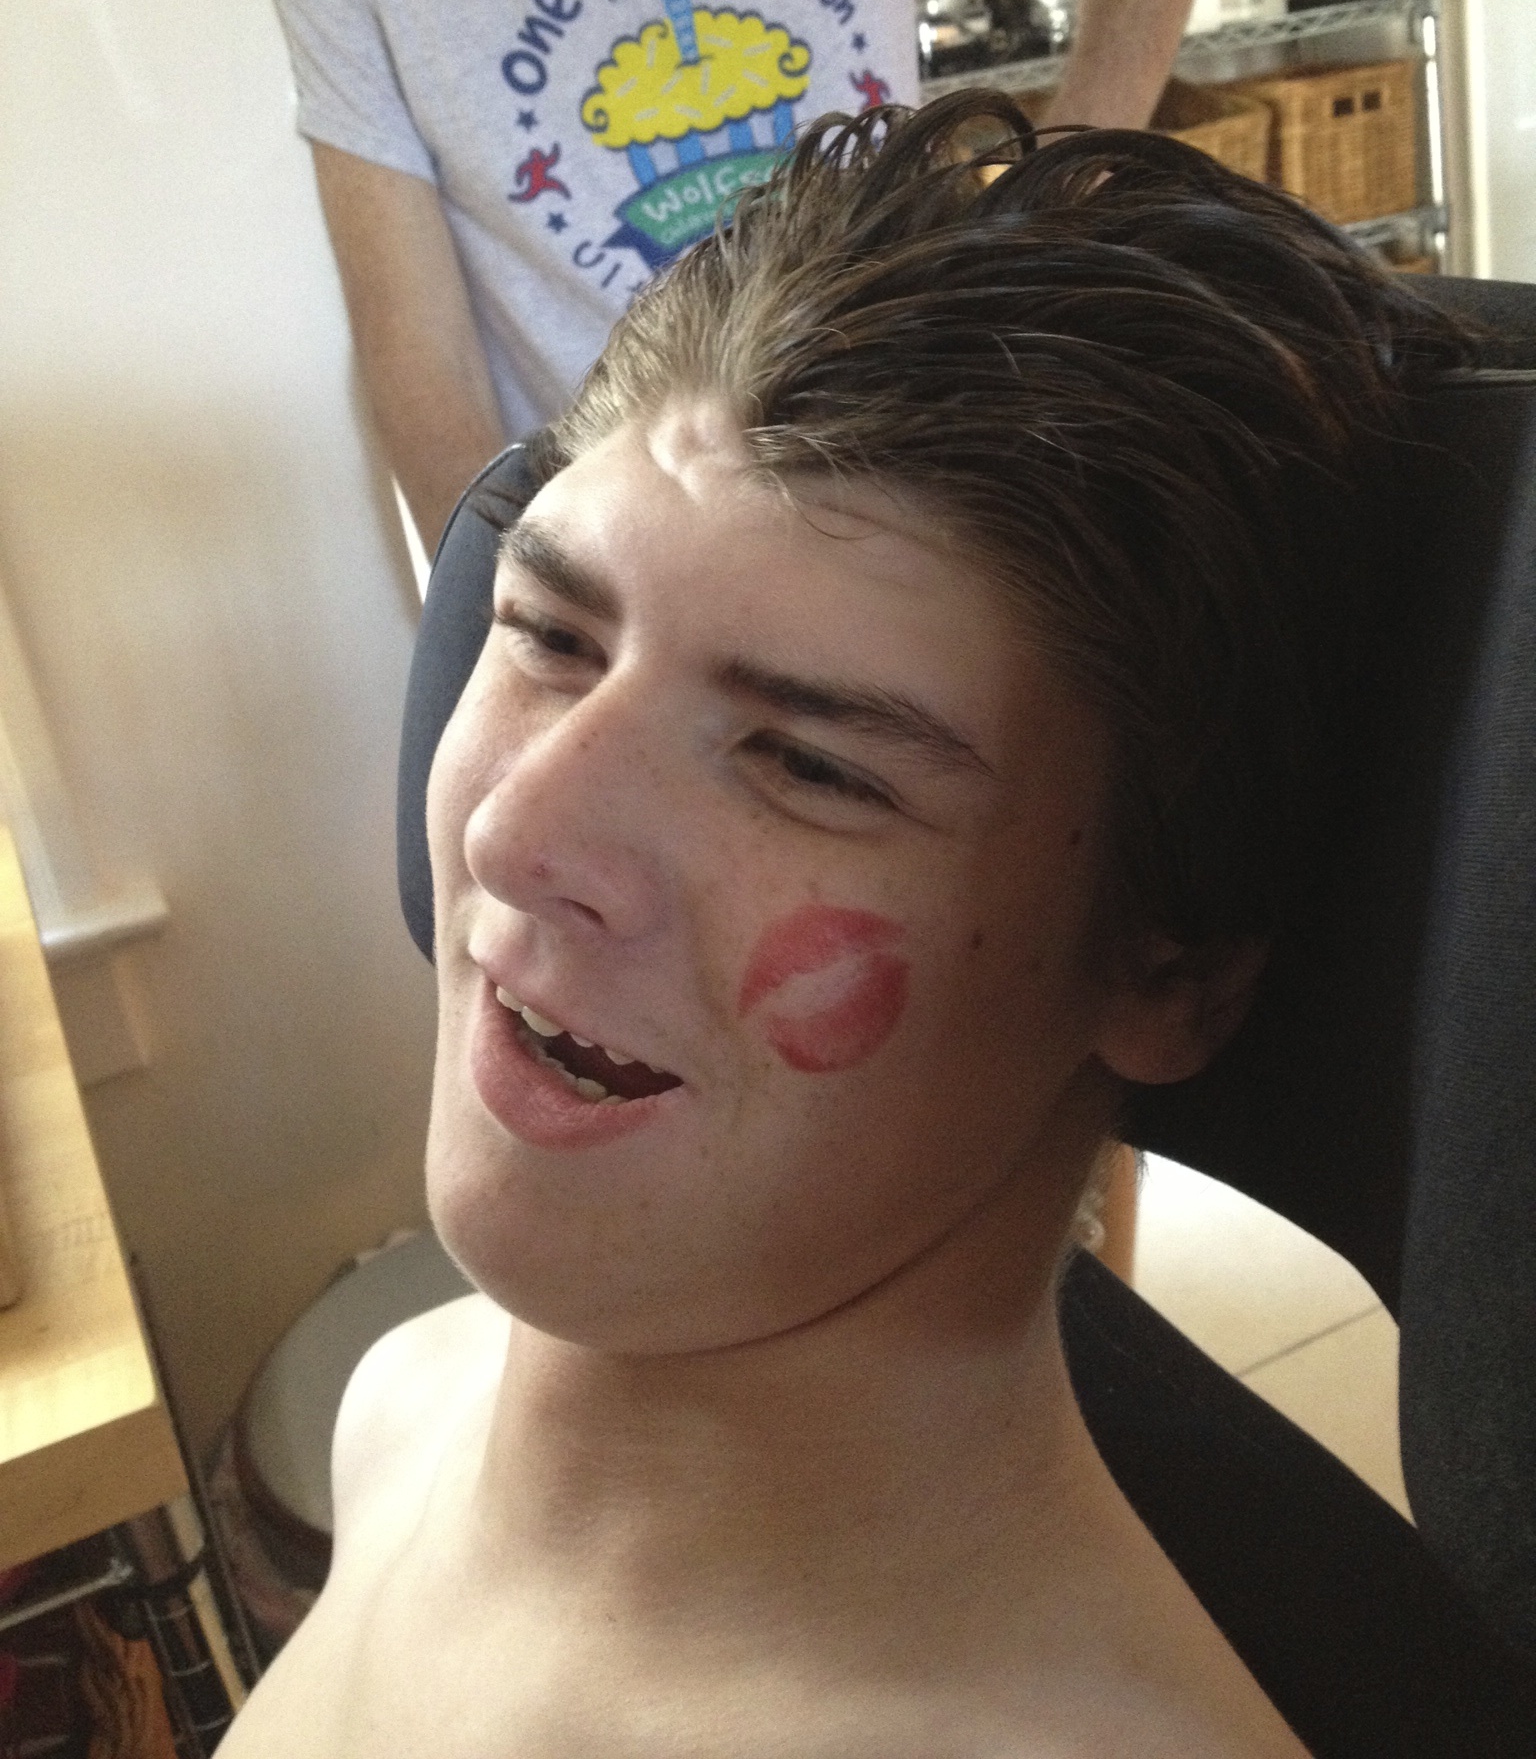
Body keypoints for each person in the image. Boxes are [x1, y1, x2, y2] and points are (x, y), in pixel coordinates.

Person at [216, 93, 1465, 1755]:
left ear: (1167, 974)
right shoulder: (409, 1402)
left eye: (807, 764)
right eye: (551, 637)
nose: (517, 834)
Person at [240, 0, 1218, 550]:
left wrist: (1040, 223)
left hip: (917, 502)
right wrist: (507, 624)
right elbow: (420, 352)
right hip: (619, 569)